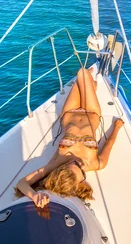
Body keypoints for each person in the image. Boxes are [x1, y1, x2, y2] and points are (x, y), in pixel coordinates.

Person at [16, 67, 124, 208]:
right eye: (79, 166)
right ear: (82, 180)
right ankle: (91, 86)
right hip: (92, 112)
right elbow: (109, 144)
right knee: (82, 74)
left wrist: (34, 195)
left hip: (69, 112)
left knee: (80, 78)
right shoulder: (97, 164)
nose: (75, 160)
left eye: (70, 164)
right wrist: (116, 127)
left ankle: (91, 85)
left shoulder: (55, 164)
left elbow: (21, 183)